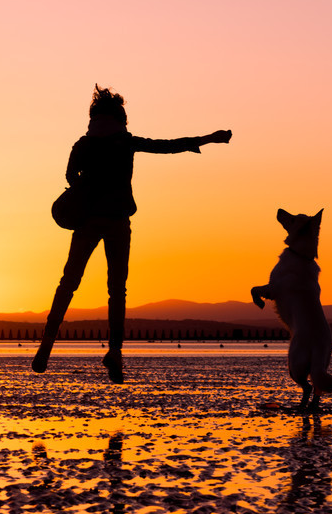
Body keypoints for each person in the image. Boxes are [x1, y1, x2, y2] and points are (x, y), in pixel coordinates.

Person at [32, 85, 231, 383]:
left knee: (69, 282)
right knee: (117, 290)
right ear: (119, 117)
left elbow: (71, 176)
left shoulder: (83, 144)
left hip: (87, 221)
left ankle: (47, 344)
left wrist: (87, 187)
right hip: (117, 221)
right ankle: (115, 351)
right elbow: (167, 145)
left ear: (93, 117)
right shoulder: (125, 142)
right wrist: (207, 139)